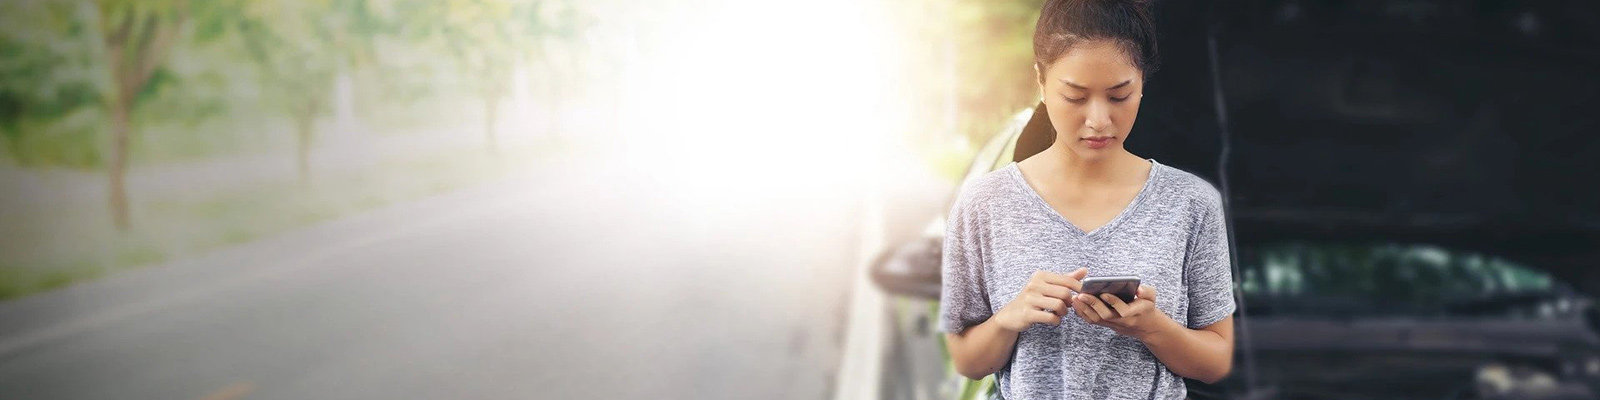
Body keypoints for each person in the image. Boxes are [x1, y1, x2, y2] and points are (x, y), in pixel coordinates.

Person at [938, 0, 1237, 399]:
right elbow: (967, 361)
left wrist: (1150, 326)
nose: (1098, 120)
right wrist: (1012, 317)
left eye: (1119, 96)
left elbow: (1216, 361)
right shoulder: (984, 203)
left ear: (1142, 83)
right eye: (1075, 97)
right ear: (1041, 83)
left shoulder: (1192, 203)